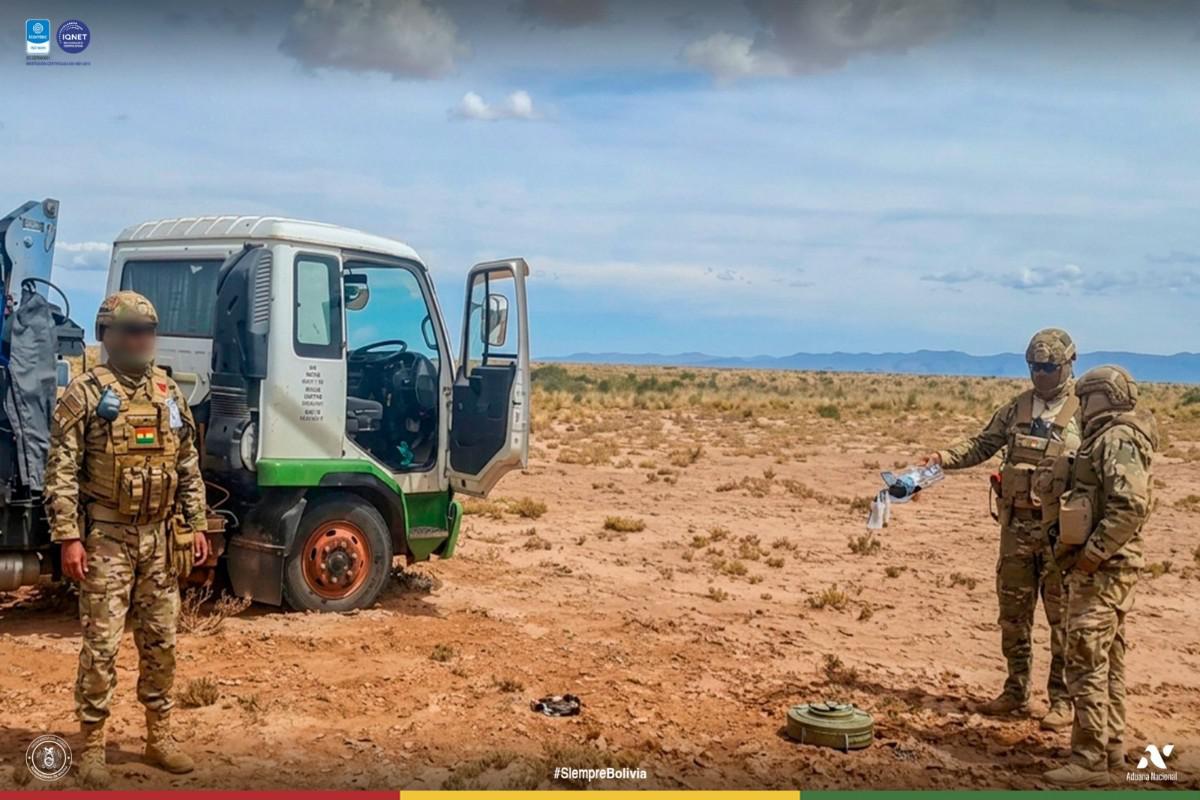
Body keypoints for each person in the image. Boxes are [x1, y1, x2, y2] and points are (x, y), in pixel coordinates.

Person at [43, 291, 209, 788]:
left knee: (162, 642)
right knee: (101, 645)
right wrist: (69, 538)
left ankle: (159, 736)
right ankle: (92, 745)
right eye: (132, 330)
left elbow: (187, 464)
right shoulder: (86, 394)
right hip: (109, 538)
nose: (142, 339)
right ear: (107, 335)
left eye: (148, 330)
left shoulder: (167, 393)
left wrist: (196, 523)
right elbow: (62, 471)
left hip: (159, 539)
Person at [921, 328, 1080, 730]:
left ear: (1067, 364)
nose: (1041, 373)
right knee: (1013, 614)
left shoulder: (1085, 412)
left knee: (1062, 619)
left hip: (1062, 535)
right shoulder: (1017, 408)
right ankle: (1015, 690)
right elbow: (982, 444)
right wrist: (942, 458)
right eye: (1034, 366)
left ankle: (1062, 700)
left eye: (1048, 366)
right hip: (1016, 531)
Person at [1042, 365, 1156, 788]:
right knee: (1108, 660)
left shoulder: (1116, 439)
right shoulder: (1112, 437)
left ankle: (1089, 761)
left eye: (1085, 400)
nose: (1081, 408)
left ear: (1101, 398)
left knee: (1086, 660)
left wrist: (1091, 555)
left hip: (1103, 571)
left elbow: (1129, 506)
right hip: (1108, 569)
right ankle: (1109, 748)